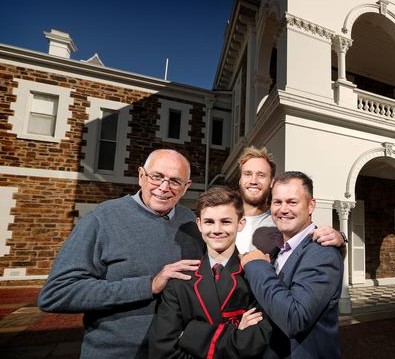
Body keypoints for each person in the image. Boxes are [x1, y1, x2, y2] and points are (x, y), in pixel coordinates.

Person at [38, 149, 204, 358]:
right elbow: (56, 294)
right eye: (157, 177)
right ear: (141, 176)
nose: (164, 187)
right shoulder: (102, 219)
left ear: (186, 187)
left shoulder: (192, 223)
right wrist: (148, 285)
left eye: (175, 181)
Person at [148, 186, 272, 358]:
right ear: (199, 224)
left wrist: (192, 334)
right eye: (209, 222)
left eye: (226, 221)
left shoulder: (255, 274)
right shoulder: (180, 280)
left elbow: (255, 342)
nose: (217, 230)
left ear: (240, 223)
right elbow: (162, 349)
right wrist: (235, 332)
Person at [241, 172, 343, 358]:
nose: (283, 209)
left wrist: (256, 266)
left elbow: (294, 319)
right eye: (277, 202)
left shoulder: (322, 253)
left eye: (292, 202)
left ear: (311, 205)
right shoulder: (276, 249)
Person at [235, 146, 345, 254]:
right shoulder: (223, 218)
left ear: (272, 182)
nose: (253, 180)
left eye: (261, 175)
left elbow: (315, 246)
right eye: (247, 174)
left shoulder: (283, 220)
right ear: (240, 179)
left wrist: (340, 240)